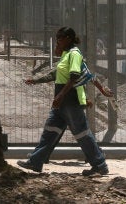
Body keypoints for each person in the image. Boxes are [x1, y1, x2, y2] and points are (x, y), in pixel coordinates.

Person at [17, 27, 109, 176]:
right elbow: (56, 74)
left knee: (82, 133)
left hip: (69, 99)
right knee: (50, 131)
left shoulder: (74, 54)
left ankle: (99, 165)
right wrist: (35, 81)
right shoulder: (66, 54)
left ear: (68, 38)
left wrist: (60, 95)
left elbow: (74, 76)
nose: (58, 41)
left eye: (60, 38)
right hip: (61, 101)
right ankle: (36, 161)